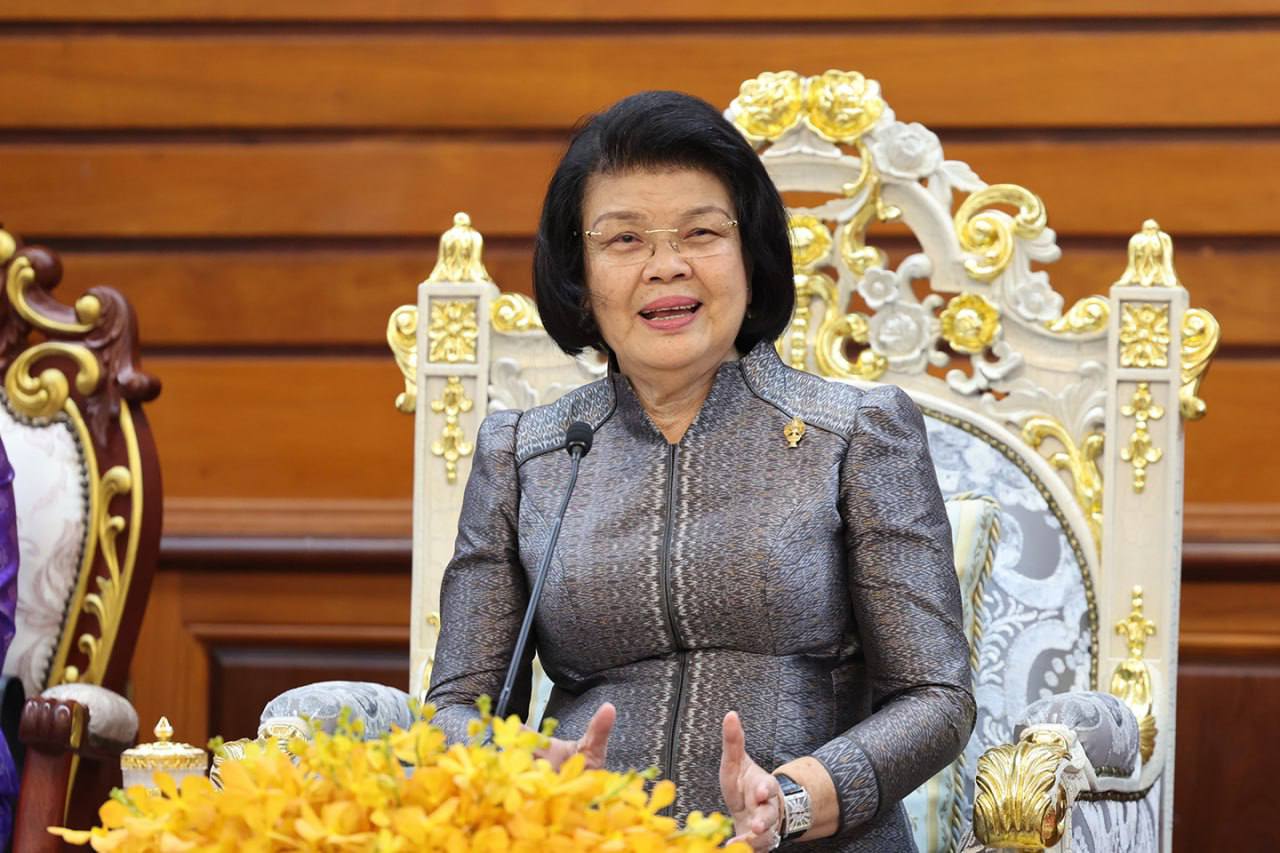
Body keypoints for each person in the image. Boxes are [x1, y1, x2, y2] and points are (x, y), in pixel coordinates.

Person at [425, 90, 973, 851]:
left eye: (701, 232)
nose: (667, 266)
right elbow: (458, 705)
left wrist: (793, 799)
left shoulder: (855, 434)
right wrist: (516, 769)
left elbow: (935, 696)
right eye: (625, 239)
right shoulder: (527, 455)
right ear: (579, 273)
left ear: (751, 254)